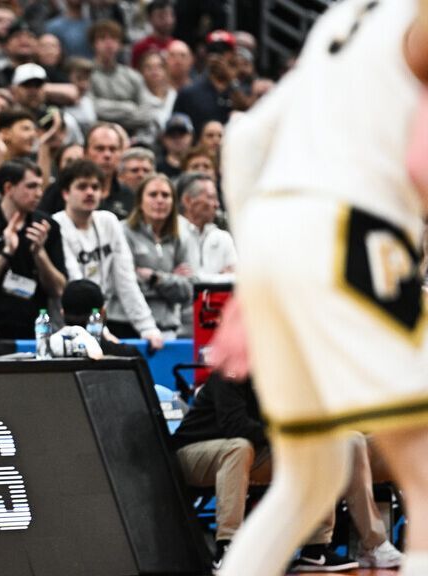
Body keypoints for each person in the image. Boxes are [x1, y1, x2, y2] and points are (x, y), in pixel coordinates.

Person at [212, 2, 428, 576]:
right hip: (356, 230)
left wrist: (255, 267)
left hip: (273, 232)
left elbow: (246, 137)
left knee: (311, 476)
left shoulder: (339, 21)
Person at [173, 374, 402, 571]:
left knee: (330, 446)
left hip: (251, 451)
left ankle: (317, 549)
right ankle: (227, 547)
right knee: (238, 446)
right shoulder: (231, 370)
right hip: (193, 453)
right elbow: (236, 426)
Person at [52, 159, 164, 350]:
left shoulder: (109, 221)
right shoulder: (56, 225)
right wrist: (100, 331)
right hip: (64, 326)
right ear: (65, 193)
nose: (90, 192)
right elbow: (75, 282)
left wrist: (147, 327)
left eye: (95, 187)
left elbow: (126, 278)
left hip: (99, 318)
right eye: (82, 187)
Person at [0, 158, 66, 339]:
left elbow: (58, 289)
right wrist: (6, 253)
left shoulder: (47, 226)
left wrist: (40, 253)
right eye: (31, 186)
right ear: (8, 188)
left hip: (36, 330)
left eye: (41, 187)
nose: (39, 193)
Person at [107, 173, 194, 339]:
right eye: (153, 195)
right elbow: (123, 282)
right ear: (140, 201)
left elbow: (187, 290)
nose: (160, 200)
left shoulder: (180, 238)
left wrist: (155, 278)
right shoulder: (123, 232)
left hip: (167, 326)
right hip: (125, 324)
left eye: (166, 195)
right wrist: (171, 280)